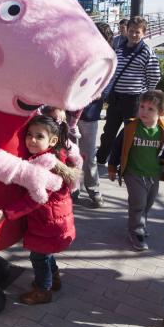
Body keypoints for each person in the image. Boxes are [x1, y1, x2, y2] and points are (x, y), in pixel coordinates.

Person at [0, 115, 80, 305]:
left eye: (39, 136)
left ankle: (42, 291)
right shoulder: (54, 157)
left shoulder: (43, 166)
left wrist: (6, 213)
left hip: (47, 223)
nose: (32, 140)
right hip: (54, 220)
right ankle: (53, 279)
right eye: (29, 135)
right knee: (45, 254)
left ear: (52, 141)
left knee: (39, 258)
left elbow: (34, 200)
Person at [108, 90, 164, 251]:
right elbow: (117, 147)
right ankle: (135, 232)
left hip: (154, 174)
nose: (144, 111)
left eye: (150, 109)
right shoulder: (131, 128)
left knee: (148, 203)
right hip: (133, 173)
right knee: (138, 203)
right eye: (142, 107)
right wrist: (112, 167)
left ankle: (140, 224)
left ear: (161, 113)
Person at [96, 16, 161, 165]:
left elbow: (155, 75)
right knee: (109, 131)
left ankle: (126, 161)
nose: (133, 35)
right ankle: (101, 158)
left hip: (134, 99)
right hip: (116, 98)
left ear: (143, 33)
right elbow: (113, 72)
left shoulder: (147, 52)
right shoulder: (120, 49)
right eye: (131, 31)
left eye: (137, 32)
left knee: (130, 132)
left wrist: (146, 93)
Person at [70, 21, 115, 207]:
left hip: (89, 113)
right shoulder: (77, 53)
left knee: (88, 154)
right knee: (71, 154)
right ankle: (73, 189)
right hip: (70, 113)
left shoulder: (109, 59)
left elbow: (106, 88)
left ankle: (93, 188)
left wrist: (89, 95)